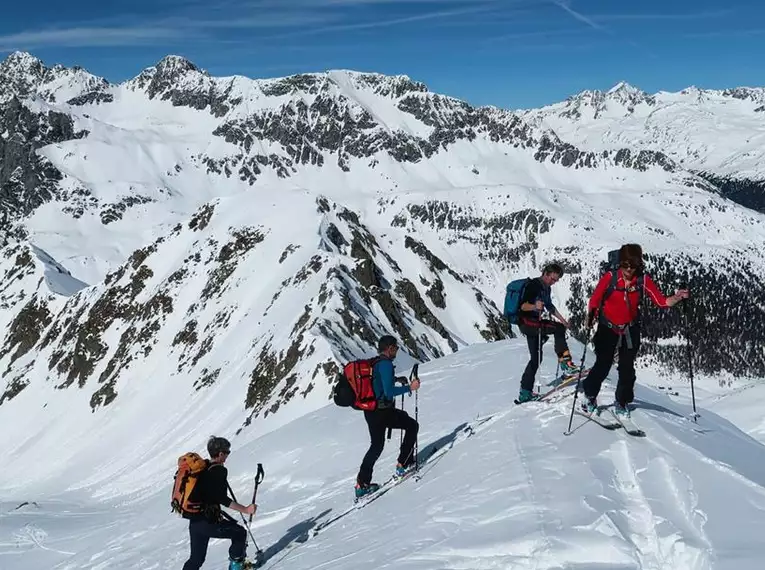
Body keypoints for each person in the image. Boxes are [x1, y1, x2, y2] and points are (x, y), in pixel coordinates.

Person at [581, 244, 689, 417]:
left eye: (633, 265)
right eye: (625, 265)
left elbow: (661, 301)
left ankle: (622, 401)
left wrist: (677, 297)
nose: (629, 269)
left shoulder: (643, 279)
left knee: (627, 369)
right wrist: (590, 317)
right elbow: (595, 299)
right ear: (619, 263)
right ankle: (590, 395)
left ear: (639, 264)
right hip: (607, 328)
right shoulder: (610, 277)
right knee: (602, 365)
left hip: (630, 329)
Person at [355, 335, 421, 499]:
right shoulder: (385, 365)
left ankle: (362, 483)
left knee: (376, 446)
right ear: (389, 348)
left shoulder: (376, 362)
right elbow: (388, 392)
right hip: (382, 412)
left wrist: (395, 379)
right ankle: (403, 464)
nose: (397, 350)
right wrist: (409, 388)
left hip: (370, 411)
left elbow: (379, 384)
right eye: (396, 348)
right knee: (412, 425)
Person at [182, 436, 257, 570]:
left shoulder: (203, 468)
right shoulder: (218, 470)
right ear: (221, 453)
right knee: (239, 533)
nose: (228, 455)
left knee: (196, 559)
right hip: (208, 522)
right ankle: (236, 567)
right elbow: (222, 499)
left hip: (195, 522)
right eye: (227, 452)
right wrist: (246, 509)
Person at [516, 263, 579, 403]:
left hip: (529, 323)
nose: (553, 282)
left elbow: (549, 307)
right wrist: (534, 306)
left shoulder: (546, 288)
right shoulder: (534, 285)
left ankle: (525, 393)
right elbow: (522, 306)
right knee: (558, 329)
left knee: (536, 358)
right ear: (545, 274)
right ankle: (566, 364)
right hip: (528, 322)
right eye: (552, 279)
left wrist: (563, 320)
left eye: (556, 280)